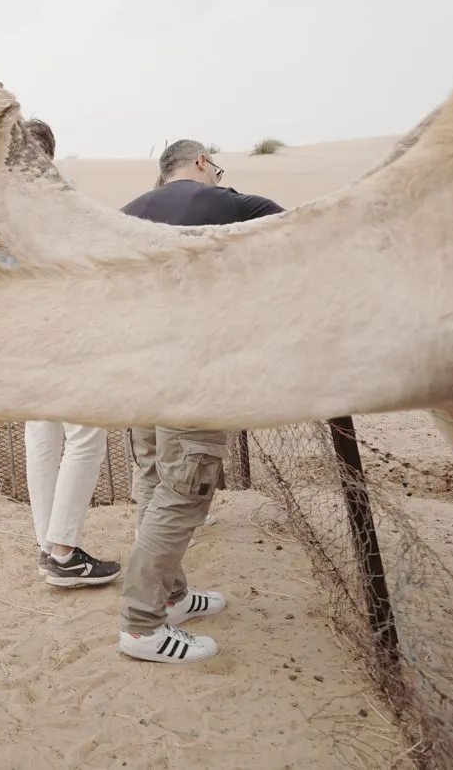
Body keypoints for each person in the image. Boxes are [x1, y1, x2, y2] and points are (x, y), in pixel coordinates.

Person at [115, 139, 283, 664]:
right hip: (193, 370)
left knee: (153, 479)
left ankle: (171, 596)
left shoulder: (127, 213)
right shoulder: (229, 202)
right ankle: (142, 625)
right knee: (187, 488)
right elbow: (294, 235)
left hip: (136, 369)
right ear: (204, 164)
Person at [19, 118, 120, 587]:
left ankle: (48, 545)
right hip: (65, 334)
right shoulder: (57, 201)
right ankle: (62, 551)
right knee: (85, 437)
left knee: (43, 436)